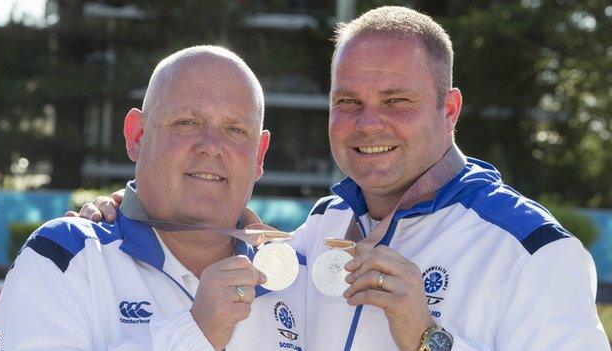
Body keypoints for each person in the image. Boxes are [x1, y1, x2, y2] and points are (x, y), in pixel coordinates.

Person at [72, 6, 610, 351]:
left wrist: (429, 339)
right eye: (347, 102)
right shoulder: (320, 229)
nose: (368, 123)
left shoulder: (532, 251)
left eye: (396, 101)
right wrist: (132, 206)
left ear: (449, 110)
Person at [0, 46, 307, 350]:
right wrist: (194, 334)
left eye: (236, 130)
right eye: (187, 123)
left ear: (259, 155)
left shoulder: (302, 283)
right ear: (137, 136)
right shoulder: (63, 258)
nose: (212, 145)